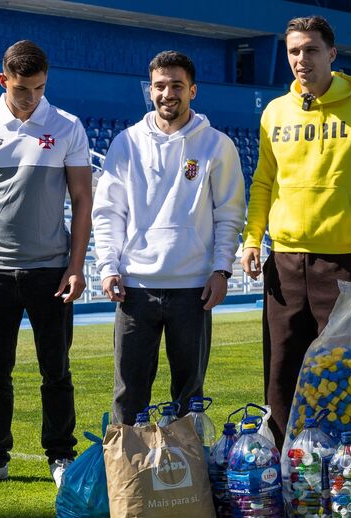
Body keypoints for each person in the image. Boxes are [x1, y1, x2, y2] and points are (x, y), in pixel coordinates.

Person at [240, 16, 351, 446]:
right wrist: (252, 238)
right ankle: (280, 460)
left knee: (345, 369)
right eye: (294, 51)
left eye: (311, 50)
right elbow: (263, 181)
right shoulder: (274, 112)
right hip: (286, 259)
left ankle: (349, 459)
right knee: (280, 368)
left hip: (346, 262)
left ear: (332, 53)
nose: (301, 59)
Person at [0, 40, 92, 489]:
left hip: (51, 271)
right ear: (3, 80)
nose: (32, 98)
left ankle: (61, 456)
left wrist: (76, 264)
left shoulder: (67, 126)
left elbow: (83, 199)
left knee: (56, 370)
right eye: (24, 88)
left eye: (40, 88)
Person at [92, 50, 245, 425]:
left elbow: (229, 213)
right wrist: (108, 266)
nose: (167, 93)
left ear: (192, 90)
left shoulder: (216, 145)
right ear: (150, 91)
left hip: (193, 289)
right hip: (136, 287)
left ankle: (187, 481)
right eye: (160, 86)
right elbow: (109, 211)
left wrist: (221, 270)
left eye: (176, 85)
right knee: (129, 394)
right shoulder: (126, 143)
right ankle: (128, 481)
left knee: (189, 396)